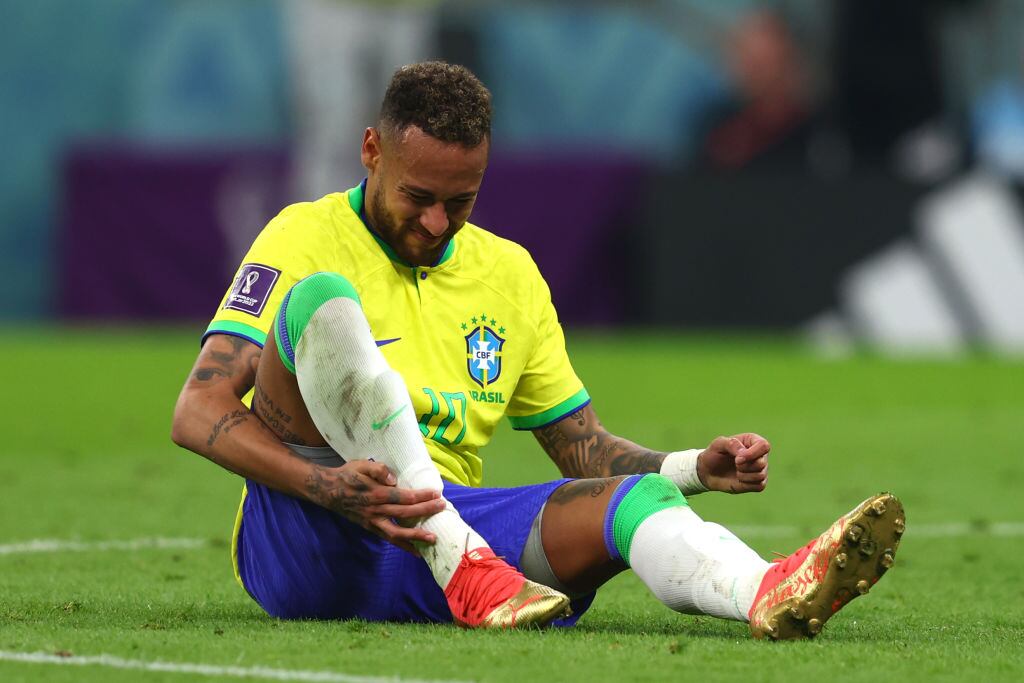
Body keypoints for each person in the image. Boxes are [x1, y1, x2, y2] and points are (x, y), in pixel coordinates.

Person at [171, 61, 904, 638]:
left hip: (458, 544)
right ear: (371, 151)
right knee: (318, 299)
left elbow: (581, 449)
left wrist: (692, 468)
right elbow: (197, 408)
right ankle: (455, 555)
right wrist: (323, 485)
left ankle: (767, 591)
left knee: (638, 500)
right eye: (418, 195)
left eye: (460, 201)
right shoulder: (302, 234)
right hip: (312, 529)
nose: (435, 222)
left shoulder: (510, 275)